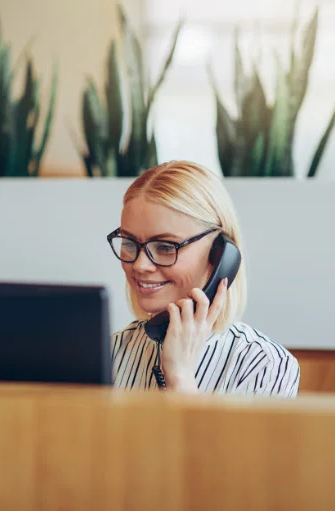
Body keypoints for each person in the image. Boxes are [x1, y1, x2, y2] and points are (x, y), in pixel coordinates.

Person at [107, 160, 300, 396]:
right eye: (129, 243)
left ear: (221, 256)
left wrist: (180, 378)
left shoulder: (264, 366)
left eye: (165, 247)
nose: (140, 265)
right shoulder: (109, 353)